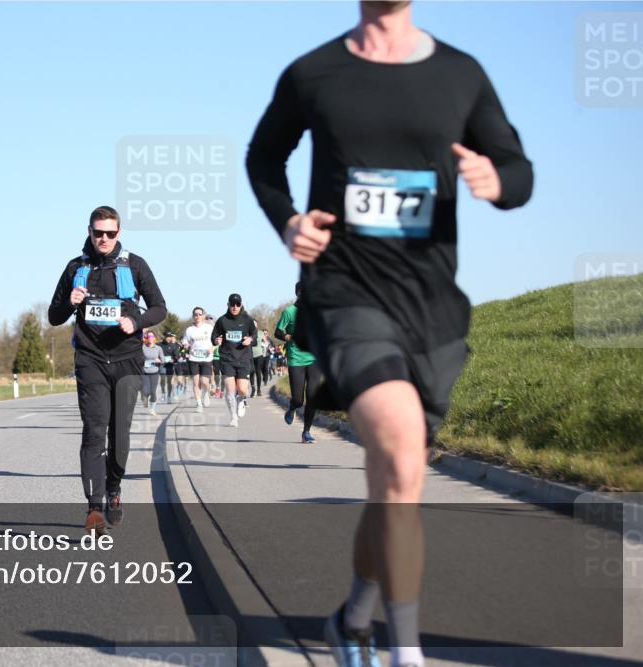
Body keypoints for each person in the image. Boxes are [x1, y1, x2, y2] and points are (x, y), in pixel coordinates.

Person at [246, 2, 533, 666]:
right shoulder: (314, 73)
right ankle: (406, 653)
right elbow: (264, 156)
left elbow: (518, 169)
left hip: (431, 306)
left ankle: (353, 616)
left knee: (393, 482)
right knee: (402, 456)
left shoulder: (461, 74)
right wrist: (287, 221)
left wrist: (498, 181)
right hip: (344, 294)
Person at [48, 205, 167, 535]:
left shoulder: (135, 265)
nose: (103, 238)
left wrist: (136, 320)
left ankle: (113, 490)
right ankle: (94, 508)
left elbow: (159, 307)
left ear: (119, 233)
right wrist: (68, 302)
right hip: (91, 360)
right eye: (98, 232)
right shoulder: (76, 267)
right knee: (94, 430)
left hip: (128, 360)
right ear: (88, 231)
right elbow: (54, 316)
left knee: (121, 436)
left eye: (110, 233)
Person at [275, 282, 321, 443]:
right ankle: (293, 407)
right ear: (298, 293)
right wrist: (287, 337)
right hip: (296, 357)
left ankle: (306, 432)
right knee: (298, 399)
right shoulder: (289, 312)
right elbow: (278, 331)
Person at [212, 294, 257, 427]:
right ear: (228, 305)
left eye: (237, 304)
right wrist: (216, 340)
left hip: (243, 358)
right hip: (227, 358)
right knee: (230, 389)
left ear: (241, 305)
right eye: (232, 304)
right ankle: (233, 417)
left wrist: (250, 339)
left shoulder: (247, 319)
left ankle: (242, 399)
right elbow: (214, 335)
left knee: (243, 390)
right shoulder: (222, 320)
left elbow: (254, 334)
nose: (235, 307)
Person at [180, 307, 215, 413]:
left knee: (204, 382)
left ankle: (206, 394)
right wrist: (185, 345)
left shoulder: (209, 328)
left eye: (200, 314)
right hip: (193, 358)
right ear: (193, 316)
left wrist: (212, 348)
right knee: (196, 382)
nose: (197, 316)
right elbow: (185, 342)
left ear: (204, 316)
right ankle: (199, 404)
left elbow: (217, 341)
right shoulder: (189, 330)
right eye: (195, 314)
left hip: (206, 358)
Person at [141, 331, 164, 415]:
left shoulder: (158, 348)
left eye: (151, 336)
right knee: (146, 391)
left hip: (154, 372)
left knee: (153, 391)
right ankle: (145, 398)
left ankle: (152, 409)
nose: (150, 338)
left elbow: (163, 360)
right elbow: (138, 359)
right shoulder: (143, 348)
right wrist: (143, 362)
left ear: (154, 338)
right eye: (148, 337)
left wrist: (159, 361)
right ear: (146, 338)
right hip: (145, 372)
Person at [158, 331, 182, 403]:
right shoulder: (159, 345)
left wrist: (174, 359)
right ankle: (163, 394)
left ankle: (168, 396)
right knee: (162, 380)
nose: (168, 338)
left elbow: (177, 355)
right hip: (162, 365)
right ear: (164, 337)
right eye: (167, 337)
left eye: (169, 337)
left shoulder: (173, 345)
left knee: (169, 382)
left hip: (170, 365)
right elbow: (156, 354)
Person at [250, 324, 269, 396]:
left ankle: (258, 389)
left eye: (255, 324)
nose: (254, 325)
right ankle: (253, 389)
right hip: (250, 354)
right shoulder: (248, 331)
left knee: (258, 371)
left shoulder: (261, 333)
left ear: (257, 325)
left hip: (259, 354)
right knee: (251, 371)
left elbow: (266, 342)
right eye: (252, 323)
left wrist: (264, 345)